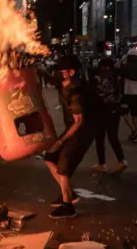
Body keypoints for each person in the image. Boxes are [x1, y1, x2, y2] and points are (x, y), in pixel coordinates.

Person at [43, 55, 103, 219]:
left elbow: (79, 122)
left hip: (82, 131)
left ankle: (68, 205)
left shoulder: (77, 91)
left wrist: (60, 142)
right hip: (74, 128)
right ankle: (70, 193)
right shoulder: (63, 83)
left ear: (72, 71)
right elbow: (50, 79)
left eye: (63, 70)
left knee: (63, 166)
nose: (60, 72)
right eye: (59, 70)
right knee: (49, 158)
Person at [92, 57, 128, 173]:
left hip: (103, 111)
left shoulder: (105, 78)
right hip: (114, 110)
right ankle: (121, 160)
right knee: (113, 137)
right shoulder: (117, 77)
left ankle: (102, 164)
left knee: (100, 138)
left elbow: (100, 93)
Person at [116, 48, 137, 141]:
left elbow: (116, 67)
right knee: (134, 114)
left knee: (123, 113)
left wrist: (121, 59)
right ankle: (134, 130)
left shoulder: (125, 66)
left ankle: (134, 129)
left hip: (127, 93)